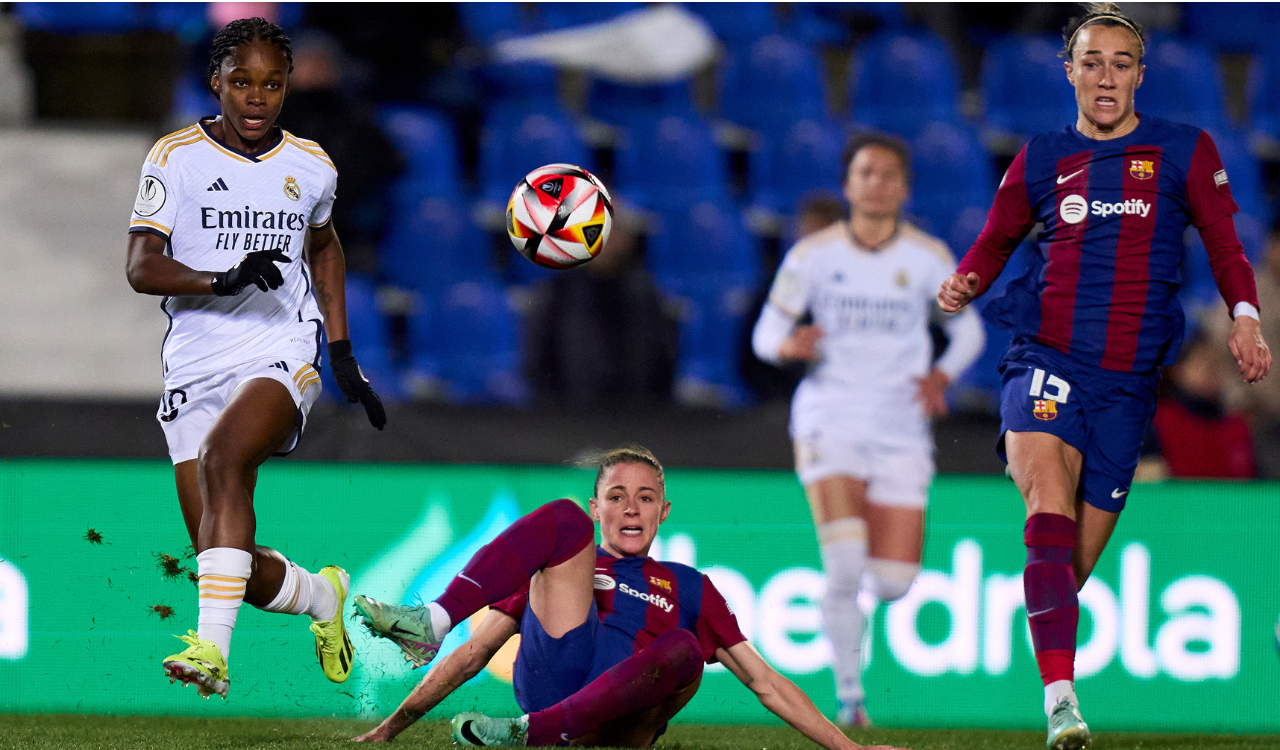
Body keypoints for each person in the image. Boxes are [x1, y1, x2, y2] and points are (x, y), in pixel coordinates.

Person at [935, 4, 1271, 748]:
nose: (1107, 75)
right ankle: (1062, 705)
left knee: (1068, 568)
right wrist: (964, 280)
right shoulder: (1042, 157)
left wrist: (1245, 314)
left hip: (1128, 389)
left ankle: (1042, 638)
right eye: (1092, 60)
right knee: (1045, 506)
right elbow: (995, 242)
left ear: (1140, 75)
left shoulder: (1183, 150)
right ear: (1070, 71)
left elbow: (1224, 243)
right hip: (1046, 359)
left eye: (1121, 62)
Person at [125, 17, 386, 699]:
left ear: (287, 87)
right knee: (223, 561)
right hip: (194, 360)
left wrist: (340, 351)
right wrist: (222, 280)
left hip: (280, 347)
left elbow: (324, 247)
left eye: (272, 84)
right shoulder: (174, 156)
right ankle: (322, 597)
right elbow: (141, 267)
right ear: (215, 81)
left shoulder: (311, 165)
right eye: (242, 81)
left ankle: (211, 652)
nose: (256, 97)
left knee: (224, 458)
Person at [349, 447, 907, 750]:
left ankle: (535, 736)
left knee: (687, 649)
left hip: (622, 726)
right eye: (616, 497)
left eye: (645, 498)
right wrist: (392, 727)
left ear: (664, 512)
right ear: (599, 509)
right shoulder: (563, 568)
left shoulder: (691, 585)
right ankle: (436, 618)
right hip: (554, 681)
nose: (631, 509)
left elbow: (765, 682)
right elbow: (473, 655)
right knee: (556, 520)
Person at [750, 132, 986, 727]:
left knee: (893, 584)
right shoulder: (812, 256)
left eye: (887, 174)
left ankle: (855, 669)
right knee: (845, 564)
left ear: (904, 188)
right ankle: (850, 698)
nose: (876, 183)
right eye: (864, 172)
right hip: (829, 418)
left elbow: (970, 333)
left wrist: (941, 376)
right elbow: (763, 333)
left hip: (902, 428)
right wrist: (788, 345)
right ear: (848, 183)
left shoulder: (929, 258)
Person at [1148, 332, 1257, 478]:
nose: (1210, 371)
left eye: (1215, 364)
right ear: (1178, 370)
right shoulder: (1158, 419)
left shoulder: (1237, 425)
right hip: (1176, 500)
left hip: (1230, 500)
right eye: (1201, 363)